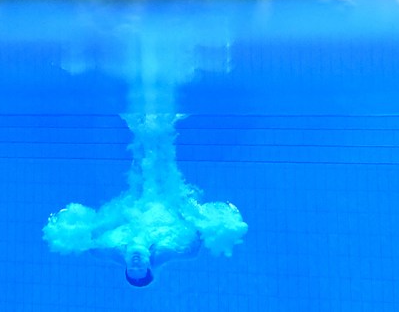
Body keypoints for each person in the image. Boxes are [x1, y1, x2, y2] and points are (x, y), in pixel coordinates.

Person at [44, 113, 247, 287]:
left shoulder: (114, 249)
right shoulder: (166, 250)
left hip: (136, 204)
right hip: (165, 203)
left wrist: (74, 232)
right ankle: (166, 122)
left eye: (131, 268)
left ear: (125, 265)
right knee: (164, 166)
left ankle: (138, 123)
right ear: (149, 264)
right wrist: (207, 224)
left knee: (140, 167)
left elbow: (93, 246)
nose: (136, 263)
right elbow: (191, 250)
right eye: (140, 267)